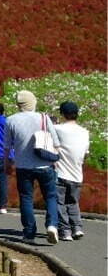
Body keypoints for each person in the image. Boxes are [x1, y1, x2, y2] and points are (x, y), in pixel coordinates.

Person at [4, 90, 60, 243]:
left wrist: (7, 164)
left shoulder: (10, 120)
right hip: (45, 165)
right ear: (32, 102)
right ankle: (52, 225)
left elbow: (7, 147)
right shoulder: (44, 118)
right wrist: (56, 160)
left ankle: (29, 233)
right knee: (50, 196)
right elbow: (56, 143)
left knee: (26, 198)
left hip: (23, 166)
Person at [54, 101, 89, 241]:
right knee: (73, 202)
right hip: (77, 174)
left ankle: (65, 231)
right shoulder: (84, 132)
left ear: (62, 114)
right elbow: (85, 154)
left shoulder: (58, 129)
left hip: (60, 172)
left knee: (59, 203)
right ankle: (77, 228)